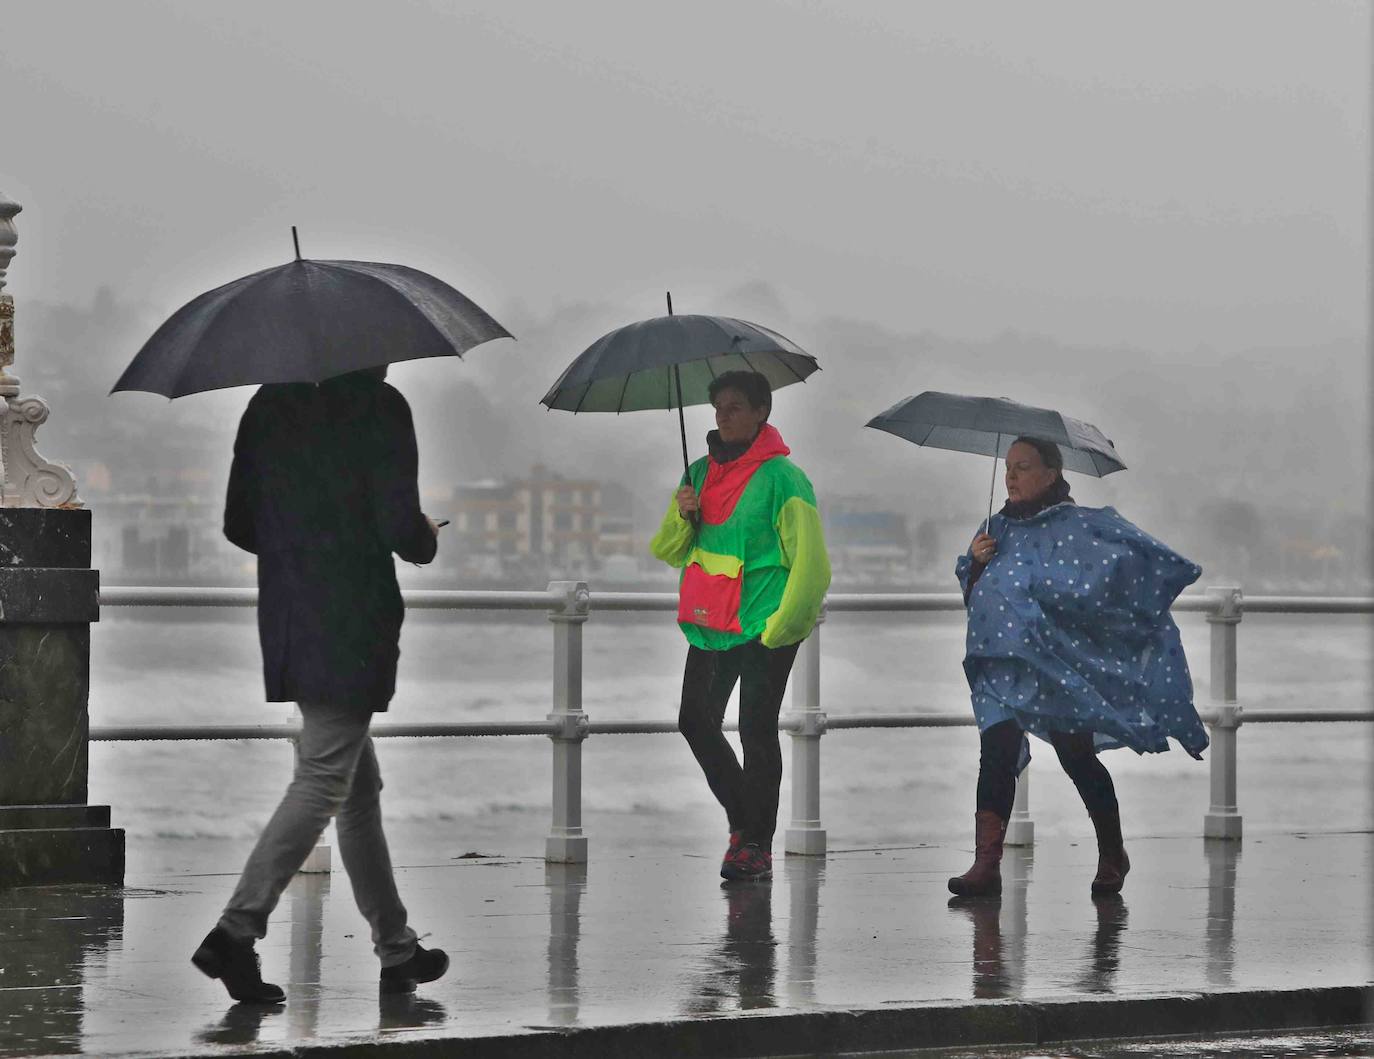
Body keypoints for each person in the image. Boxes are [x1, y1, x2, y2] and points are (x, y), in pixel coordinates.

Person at [191, 367, 448, 1004]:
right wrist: (425, 538)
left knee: (357, 784)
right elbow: (397, 524)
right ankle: (234, 931)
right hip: (352, 615)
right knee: (326, 774)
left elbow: (238, 523)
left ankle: (397, 948)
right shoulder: (381, 407)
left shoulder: (268, 402)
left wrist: (300, 542)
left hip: (288, 610)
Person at [949, 436, 1208, 898]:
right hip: (997, 665)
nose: (1010, 476)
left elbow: (1101, 584)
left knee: (1076, 757)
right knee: (996, 754)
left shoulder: (1074, 527)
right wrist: (975, 564)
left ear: (1051, 473)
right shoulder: (995, 529)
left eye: (1022, 467)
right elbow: (977, 596)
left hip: (1052, 665)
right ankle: (985, 865)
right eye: (1008, 467)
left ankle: (1113, 852)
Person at [651, 370, 831, 882]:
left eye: (734, 407)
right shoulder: (699, 474)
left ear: (761, 414)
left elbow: (812, 565)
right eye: (718, 407)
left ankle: (755, 845)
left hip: (763, 624)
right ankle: (745, 823)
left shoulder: (784, 479)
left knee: (756, 730)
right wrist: (684, 515)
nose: (722, 416)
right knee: (694, 719)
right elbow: (669, 550)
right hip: (711, 623)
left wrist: (781, 627)